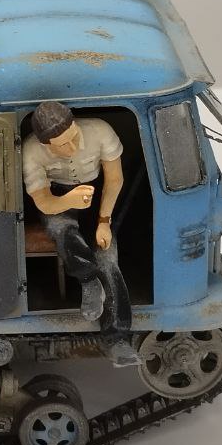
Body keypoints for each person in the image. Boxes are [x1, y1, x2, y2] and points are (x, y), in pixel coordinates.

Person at [22, 101, 138, 365]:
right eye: (61, 145)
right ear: (45, 143)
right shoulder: (31, 151)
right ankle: (88, 280)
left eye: (73, 138)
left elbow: (114, 179)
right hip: (58, 196)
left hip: (99, 194)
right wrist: (68, 201)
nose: (71, 148)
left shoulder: (100, 130)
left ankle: (118, 337)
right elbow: (43, 202)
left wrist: (104, 221)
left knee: (107, 257)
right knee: (62, 229)